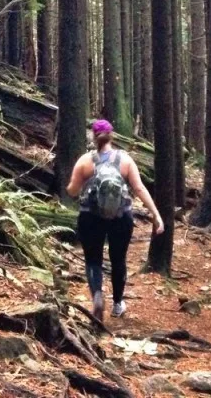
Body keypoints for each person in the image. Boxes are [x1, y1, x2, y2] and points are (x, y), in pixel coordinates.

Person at [66, 119, 165, 320]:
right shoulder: (125, 160)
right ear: (112, 136)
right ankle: (118, 303)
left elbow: (73, 191)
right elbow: (139, 188)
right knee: (118, 260)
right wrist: (156, 215)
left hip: (90, 218)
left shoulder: (85, 161)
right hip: (121, 218)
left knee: (93, 260)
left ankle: (97, 296)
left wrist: (76, 186)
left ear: (93, 137)